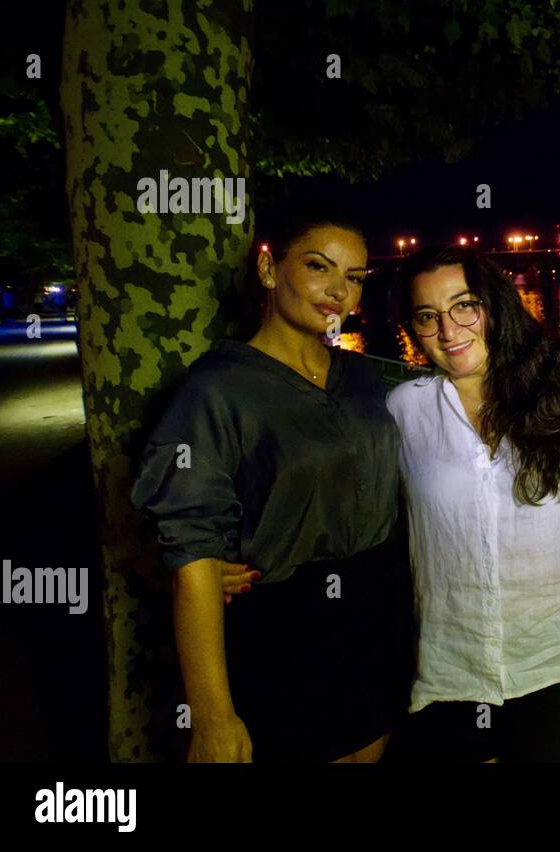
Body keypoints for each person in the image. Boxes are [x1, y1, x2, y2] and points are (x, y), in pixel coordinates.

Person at [130, 204, 411, 762]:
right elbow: (191, 550)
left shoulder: (363, 377)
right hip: (288, 629)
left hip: (379, 612)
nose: (339, 291)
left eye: (355, 277)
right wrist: (212, 715)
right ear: (267, 268)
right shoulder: (216, 391)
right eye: (318, 266)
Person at [386, 246, 560, 762]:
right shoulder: (405, 411)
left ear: (494, 304)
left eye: (464, 306)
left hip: (559, 661)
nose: (449, 330)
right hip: (452, 667)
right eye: (427, 317)